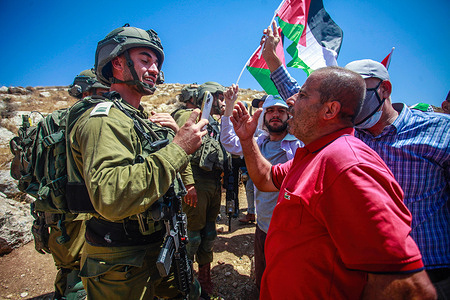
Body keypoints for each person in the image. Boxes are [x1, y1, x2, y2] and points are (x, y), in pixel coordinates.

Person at [263, 21, 450, 298]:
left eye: (360, 90)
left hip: (431, 270)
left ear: (384, 89)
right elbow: (307, 101)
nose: (354, 99)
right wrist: (274, 63)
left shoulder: (439, 132)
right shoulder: (344, 135)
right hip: (368, 274)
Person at [230, 65, 436, 299]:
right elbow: (266, 179)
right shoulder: (314, 155)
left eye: (303, 95)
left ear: (330, 110)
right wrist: (247, 140)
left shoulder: (347, 165)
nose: (292, 101)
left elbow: (408, 288)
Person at [67, 24, 207, 299]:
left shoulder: (138, 118)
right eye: (145, 60)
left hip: (157, 244)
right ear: (117, 63)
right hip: (121, 261)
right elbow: (112, 197)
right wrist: (179, 148)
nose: (154, 69)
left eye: (157, 62)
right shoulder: (104, 119)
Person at [220, 87, 302, 291]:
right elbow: (230, 142)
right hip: (263, 226)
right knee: (263, 279)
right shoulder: (259, 142)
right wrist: (229, 107)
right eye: (271, 111)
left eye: (281, 111)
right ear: (264, 116)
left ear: (288, 115)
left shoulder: (299, 145)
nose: (275, 115)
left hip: (291, 230)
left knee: (288, 283)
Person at [172, 81, 228, 298]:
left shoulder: (213, 122)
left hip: (212, 183)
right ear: (207, 96)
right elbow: (179, 149)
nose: (221, 102)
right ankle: (186, 281)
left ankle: (205, 278)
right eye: (218, 97)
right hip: (194, 182)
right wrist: (188, 184)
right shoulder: (187, 115)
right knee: (192, 236)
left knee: (209, 233)